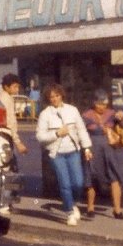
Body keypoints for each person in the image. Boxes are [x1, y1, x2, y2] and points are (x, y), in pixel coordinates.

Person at [36, 83, 93, 226]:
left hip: (73, 151)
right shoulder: (45, 114)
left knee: (78, 182)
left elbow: (81, 130)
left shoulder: (72, 110)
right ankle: (69, 212)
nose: (54, 99)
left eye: (57, 96)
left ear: (61, 95)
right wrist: (56, 133)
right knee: (65, 184)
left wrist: (86, 148)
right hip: (57, 154)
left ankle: (73, 203)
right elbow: (40, 137)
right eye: (51, 97)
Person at [81, 89, 123, 219]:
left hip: (109, 150)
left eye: (104, 104)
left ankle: (117, 210)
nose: (102, 107)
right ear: (94, 103)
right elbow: (80, 132)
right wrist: (85, 149)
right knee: (91, 177)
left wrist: (122, 118)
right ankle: (90, 208)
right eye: (99, 104)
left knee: (114, 177)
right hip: (92, 149)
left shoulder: (112, 114)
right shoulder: (86, 115)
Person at [0, 74, 29, 214]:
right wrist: (18, 143)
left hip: (5, 137)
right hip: (7, 138)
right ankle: (5, 203)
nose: (17, 90)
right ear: (6, 87)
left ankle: (6, 202)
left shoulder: (4, 98)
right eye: (15, 87)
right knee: (9, 171)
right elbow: (10, 123)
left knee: (9, 170)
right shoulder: (6, 100)